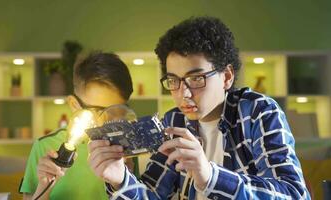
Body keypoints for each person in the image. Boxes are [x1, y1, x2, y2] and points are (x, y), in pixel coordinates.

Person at [88, 17, 311, 199]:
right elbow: (152, 195)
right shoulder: (173, 121)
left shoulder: (258, 112)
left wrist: (210, 176)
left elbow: (294, 194)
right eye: (173, 80)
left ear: (227, 77)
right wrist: (120, 179)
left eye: (196, 79)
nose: (183, 93)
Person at [20, 52, 134, 200]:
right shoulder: (44, 146)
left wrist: (125, 178)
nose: (109, 121)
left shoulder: (125, 146)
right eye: (99, 110)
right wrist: (44, 186)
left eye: (118, 110)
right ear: (74, 105)